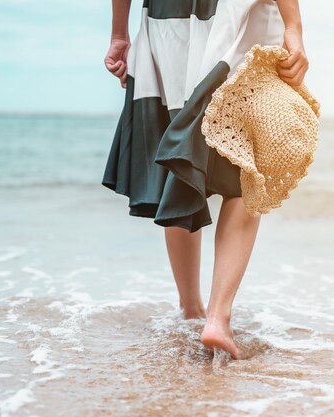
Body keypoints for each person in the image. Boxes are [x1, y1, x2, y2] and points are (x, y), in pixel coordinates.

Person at [102, 0, 309, 360]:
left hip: (167, 21)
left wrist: (119, 34)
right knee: (248, 167)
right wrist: (293, 25)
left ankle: (191, 309)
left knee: (181, 164)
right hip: (230, 14)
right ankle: (217, 318)